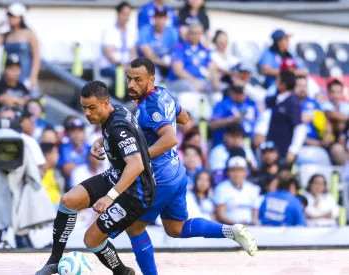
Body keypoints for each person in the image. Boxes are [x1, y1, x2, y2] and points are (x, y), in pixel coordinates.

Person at [123, 58, 257, 275]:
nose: (131, 84)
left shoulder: (149, 106)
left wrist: (137, 155)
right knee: (175, 228)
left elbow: (169, 139)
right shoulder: (164, 93)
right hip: (177, 171)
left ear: (151, 80)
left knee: (135, 227)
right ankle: (231, 231)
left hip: (160, 177)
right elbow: (184, 117)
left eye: (138, 80)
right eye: (129, 78)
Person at [36, 80, 155, 275]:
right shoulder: (115, 112)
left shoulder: (118, 128)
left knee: (91, 240)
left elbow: (136, 164)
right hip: (116, 176)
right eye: (84, 108)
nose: (88, 113)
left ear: (105, 102)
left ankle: (122, 272)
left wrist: (110, 197)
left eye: (92, 108)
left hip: (136, 192)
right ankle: (54, 261)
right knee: (68, 201)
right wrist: (100, 141)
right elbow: (122, 134)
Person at [0, 3, 40, 91]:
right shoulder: (7, 35)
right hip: (9, 77)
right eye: (9, 16)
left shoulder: (29, 33)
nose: (11, 19)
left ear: (20, 17)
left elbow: (36, 56)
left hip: (25, 75)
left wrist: (33, 76)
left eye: (14, 16)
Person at [137, 8, 179, 83]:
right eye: (158, 17)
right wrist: (165, 64)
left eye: (162, 18)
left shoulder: (172, 32)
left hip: (167, 65)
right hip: (149, 65)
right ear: (154, 18)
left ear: (166, 19)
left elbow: (176, 50)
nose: (160, 21)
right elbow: (150, 57)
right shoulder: (145, 31)